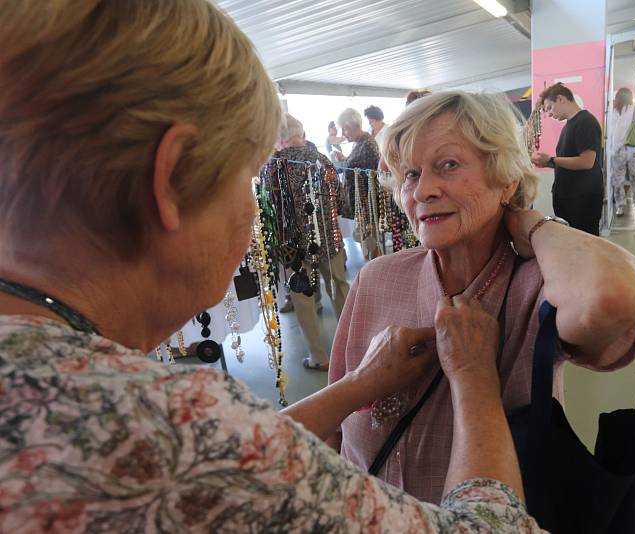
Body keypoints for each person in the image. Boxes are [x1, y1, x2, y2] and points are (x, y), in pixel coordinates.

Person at [0, 2, 549, 531]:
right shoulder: (164, 424)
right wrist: (474, 376)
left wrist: (537, 229)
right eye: (245, 178)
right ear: (169, 180)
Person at [328, 90, 635, 505]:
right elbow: (335, 424)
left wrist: (533, 224)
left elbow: (616, 295)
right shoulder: (377, 279)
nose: (423, 190)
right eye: (410, 174)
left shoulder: (536, 288)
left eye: (447, 165)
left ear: (506, 178)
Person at [269, 114, 350, 371]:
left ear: (278, 138)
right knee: (338, 285)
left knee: (302, 297)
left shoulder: (273, 166)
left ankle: (318, 356)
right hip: (328, 237)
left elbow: (270, 209)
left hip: (293, 244)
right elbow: (340, 198)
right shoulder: (322, 159)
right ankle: (352, 345)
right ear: (301, 133)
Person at [532, 83, 605, 235]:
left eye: (550, 108)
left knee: (585, 243)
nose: (550, 114)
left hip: (582, 199)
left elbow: (586, 162)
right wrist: (547, 162)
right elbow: (568, 160)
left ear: (560, 99)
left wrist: (552, 160)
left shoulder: (586, 122)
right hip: (570, 197)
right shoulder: (570, 125)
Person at [335, 107, 383, 260]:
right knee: (368, 249)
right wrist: (345, 160)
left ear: (355, 125)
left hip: (366, 210)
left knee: (372, 248)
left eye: (345, 129)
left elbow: (372, 182)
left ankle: (376, 280)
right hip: (362, 208)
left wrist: (366, 213)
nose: (343, 134)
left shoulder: (367, 144)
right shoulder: (359, 143)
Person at [609, 87, 635, 218]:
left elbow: (611, 131)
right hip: (633, 148)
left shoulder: (613, 109)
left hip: (617, 150)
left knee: (617, 180)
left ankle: (620, 206)